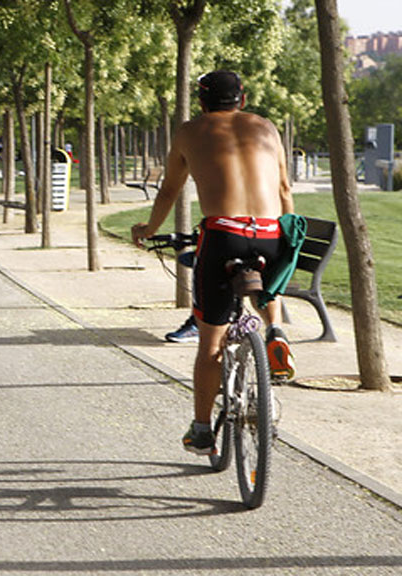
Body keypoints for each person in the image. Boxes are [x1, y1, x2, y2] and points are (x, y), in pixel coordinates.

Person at [131, 70, 297, 456]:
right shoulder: (266, 128)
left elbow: (169, 190)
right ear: (242, 99)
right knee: (266, 276)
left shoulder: (190, 131)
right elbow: (284, 189)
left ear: (201, 102)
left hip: (224, 235)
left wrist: (148, 229)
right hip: (270, 232)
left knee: (210, 342)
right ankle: (274, 329)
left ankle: (202, 430)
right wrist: (285, 234)